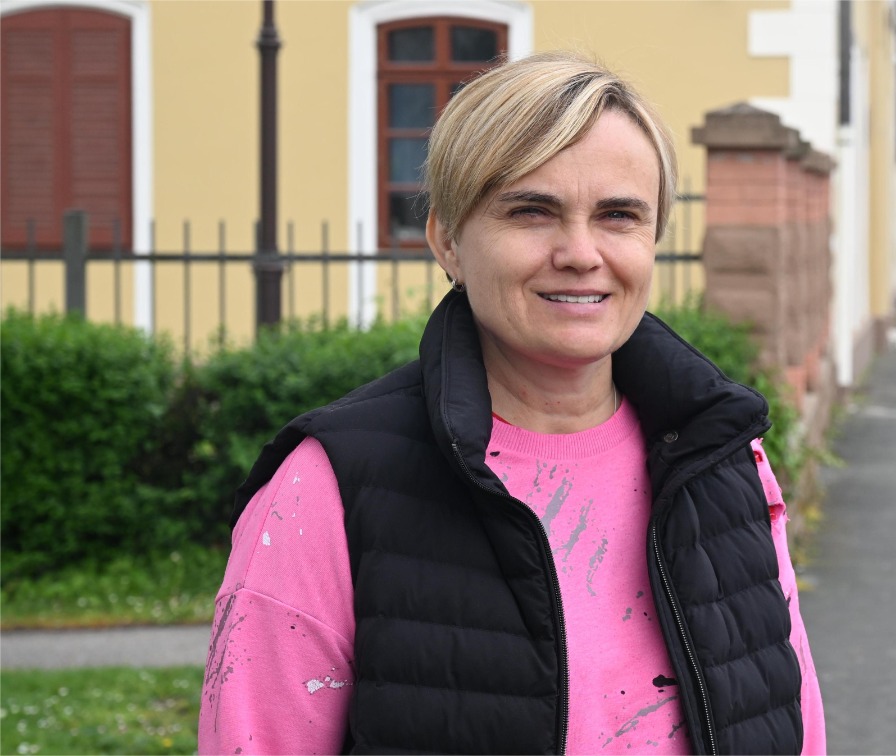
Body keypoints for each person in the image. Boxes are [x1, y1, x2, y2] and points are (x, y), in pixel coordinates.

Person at [199, 52, 825, 754]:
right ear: (448, 241)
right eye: (532, 211)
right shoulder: (329, 489)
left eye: (618, 215)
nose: (580, 252)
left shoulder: (724, 461)